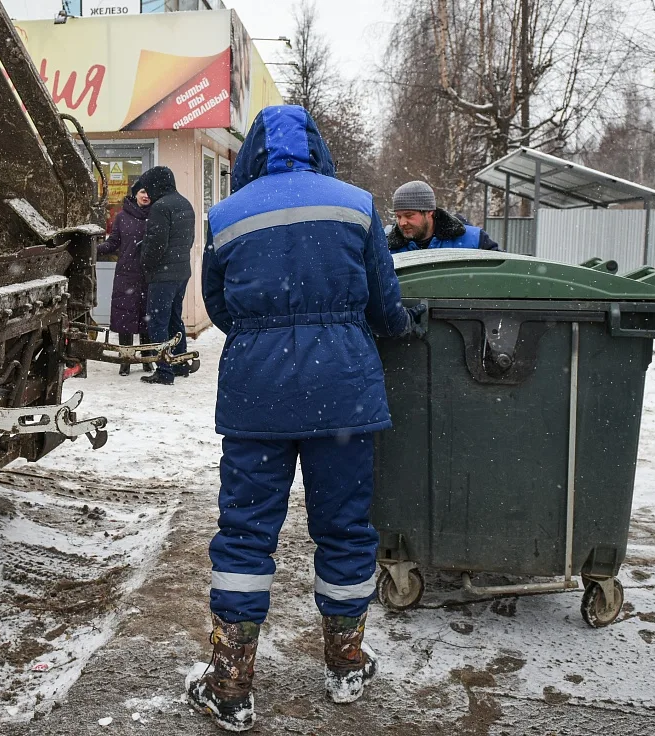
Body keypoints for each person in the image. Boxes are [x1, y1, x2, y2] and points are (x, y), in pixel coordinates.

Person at [187, 104, 425, 732]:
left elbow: (218, 305)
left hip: (257, 402)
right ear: (317, 147)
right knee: (346, 530)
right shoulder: (356, 203)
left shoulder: (226, 215)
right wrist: (397, 327)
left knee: (245, 535)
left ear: (251, 154)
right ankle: (345, 663)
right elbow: (384, 300)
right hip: (343, 396)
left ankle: (232, 684)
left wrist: (268, 340)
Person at [138, 166, 195, 386]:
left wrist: (146, 264)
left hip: (163, 275)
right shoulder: (184, 203)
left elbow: (156, 244)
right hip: (182, 272)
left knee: (158, 323)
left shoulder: (160, 207)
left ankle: (164, 370)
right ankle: (180, 362)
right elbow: (188, 240)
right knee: (174, 318)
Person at [98, 181, 153, 376]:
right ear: (135, 194)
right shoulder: (122, 217)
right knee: (125, 316)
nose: (146, 196)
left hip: (148, 274)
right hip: (126, 274)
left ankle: (147, 359)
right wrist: (94, 250)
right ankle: (125, 360)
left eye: (149, 193)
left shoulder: (156, 216)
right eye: (143, 191)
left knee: (146, 317)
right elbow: (113, 242)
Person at [387, 180, 500, 254]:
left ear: (429, 212)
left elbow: (503, 275)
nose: (402, 223)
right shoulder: (387, 248)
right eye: (398, 216)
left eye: (409, 215)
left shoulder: (474, 240)